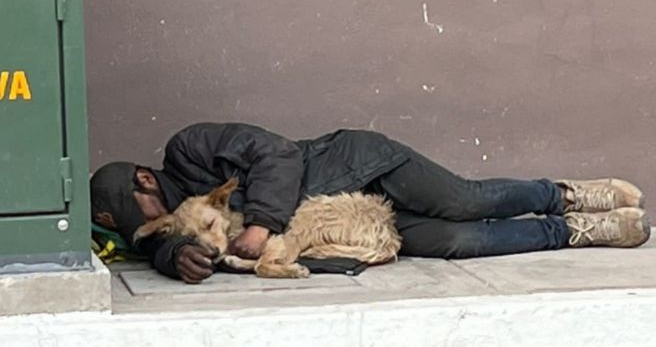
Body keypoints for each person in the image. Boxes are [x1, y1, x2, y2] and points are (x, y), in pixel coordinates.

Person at [90, 122, 650, 284]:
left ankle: (566, 194)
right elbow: (158, 254)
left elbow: (279, 155)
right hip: (349, 220)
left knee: (462, 201)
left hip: (360, 165)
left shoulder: (190, 149)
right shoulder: (172, 228)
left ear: (145, 179)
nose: (159, 224)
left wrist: (260, 227)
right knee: (457, 242)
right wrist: (171, 257)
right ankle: (577, 231)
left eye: (149, 213)